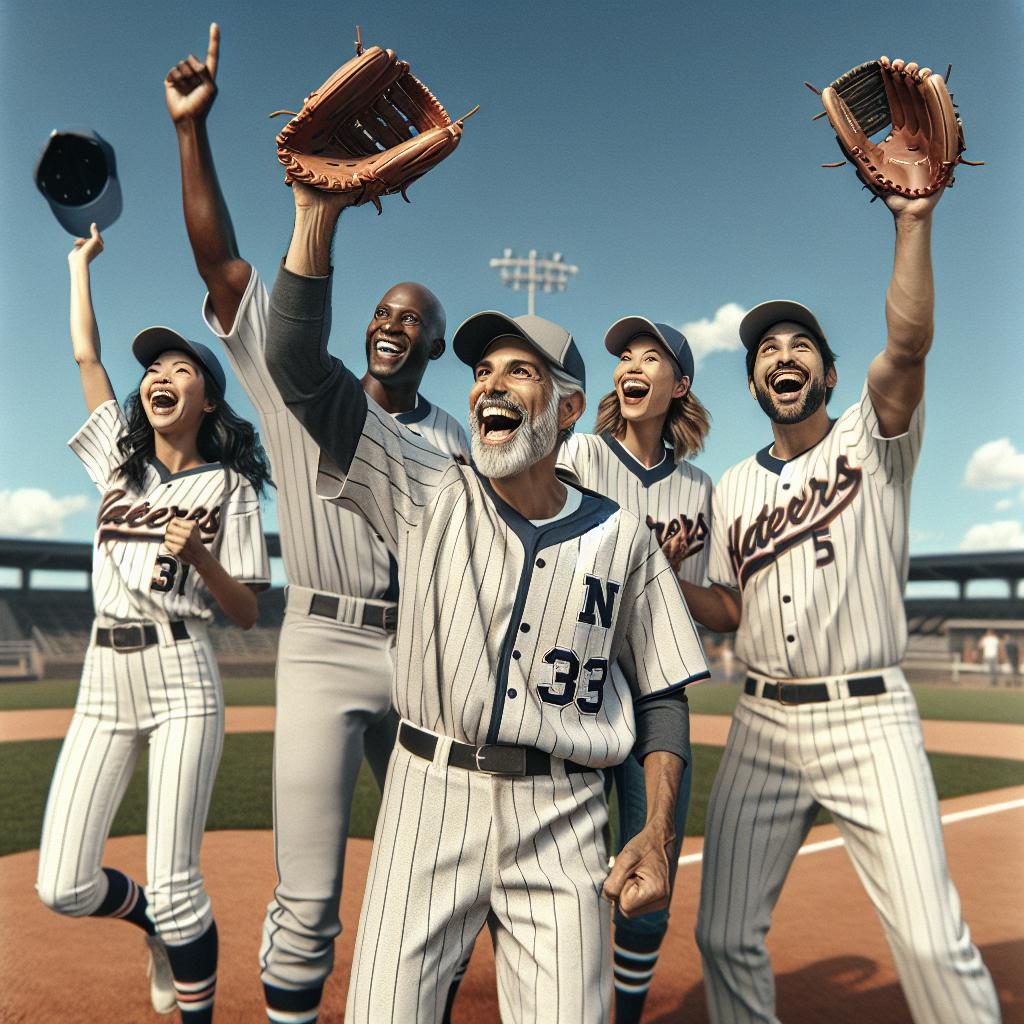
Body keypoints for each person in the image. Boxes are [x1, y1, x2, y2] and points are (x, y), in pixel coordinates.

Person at [263, 182, 709, 1024]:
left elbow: (662, 701)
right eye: (481, 370)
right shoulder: (427, 484)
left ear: (569, 409)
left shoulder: (626, 537)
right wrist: (315, 218)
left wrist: (653, 835)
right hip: (429, 797)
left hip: (564, 816)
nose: (490, 385)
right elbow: (299, 370)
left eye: (521, 371)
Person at [165, 25, 469, 1024]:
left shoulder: (457, 436)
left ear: (431, 342)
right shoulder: (304, 384)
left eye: (411, 316)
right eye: (381, 307)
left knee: (444, 882)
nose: (392, 320)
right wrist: (191, 134)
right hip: (326, 643)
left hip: (426, 648)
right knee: (309, 900)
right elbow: (222, 264)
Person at [684, 178, 1001, 1021]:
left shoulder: (875, 437)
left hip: (868, 719)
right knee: (722, 936)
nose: (781, 356)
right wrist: (674, 584)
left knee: (932, 943)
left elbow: (907, 345)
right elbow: (729, 606)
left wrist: (912, 221)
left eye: (798, 345)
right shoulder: (734, 486)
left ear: (826, 369)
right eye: (764, 351)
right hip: (762, 722)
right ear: (753, 382)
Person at [36, 224, 271, 1024]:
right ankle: (154, 932)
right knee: (62, 885)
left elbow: (244, 613)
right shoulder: (117, 464)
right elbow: (86, 359)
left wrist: (204, 561)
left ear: (207, 397)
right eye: (154, 370)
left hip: (182, 675)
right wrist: (78, 268)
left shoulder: (230, 487)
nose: (159, 377)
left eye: (180, 368)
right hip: (103, 677)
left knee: (179, 883)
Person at [554, 316, 711, 1022]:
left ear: (678, 385)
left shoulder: (698, 487)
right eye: (625, 356)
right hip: (577, 688)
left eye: (652, 357)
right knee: (568, 880)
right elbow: (543, 548)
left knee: (649, 883)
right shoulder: (581, 453)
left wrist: (670, 576)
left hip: (654, 689)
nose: (632, 365)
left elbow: (718, 609)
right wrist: (642, 563)